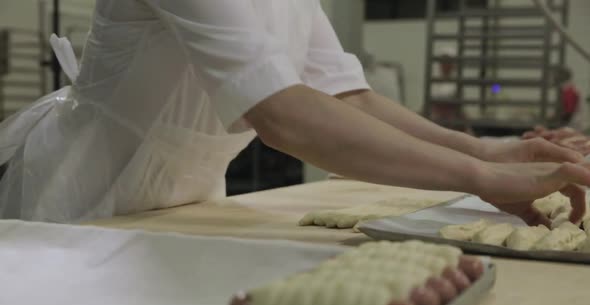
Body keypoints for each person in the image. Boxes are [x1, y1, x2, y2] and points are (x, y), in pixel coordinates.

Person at [0, 0, 589, 227]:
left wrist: (489, 150)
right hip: (84, 195)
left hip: (185, 202)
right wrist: (483, 179)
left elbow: (344, 95)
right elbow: (283, 114)